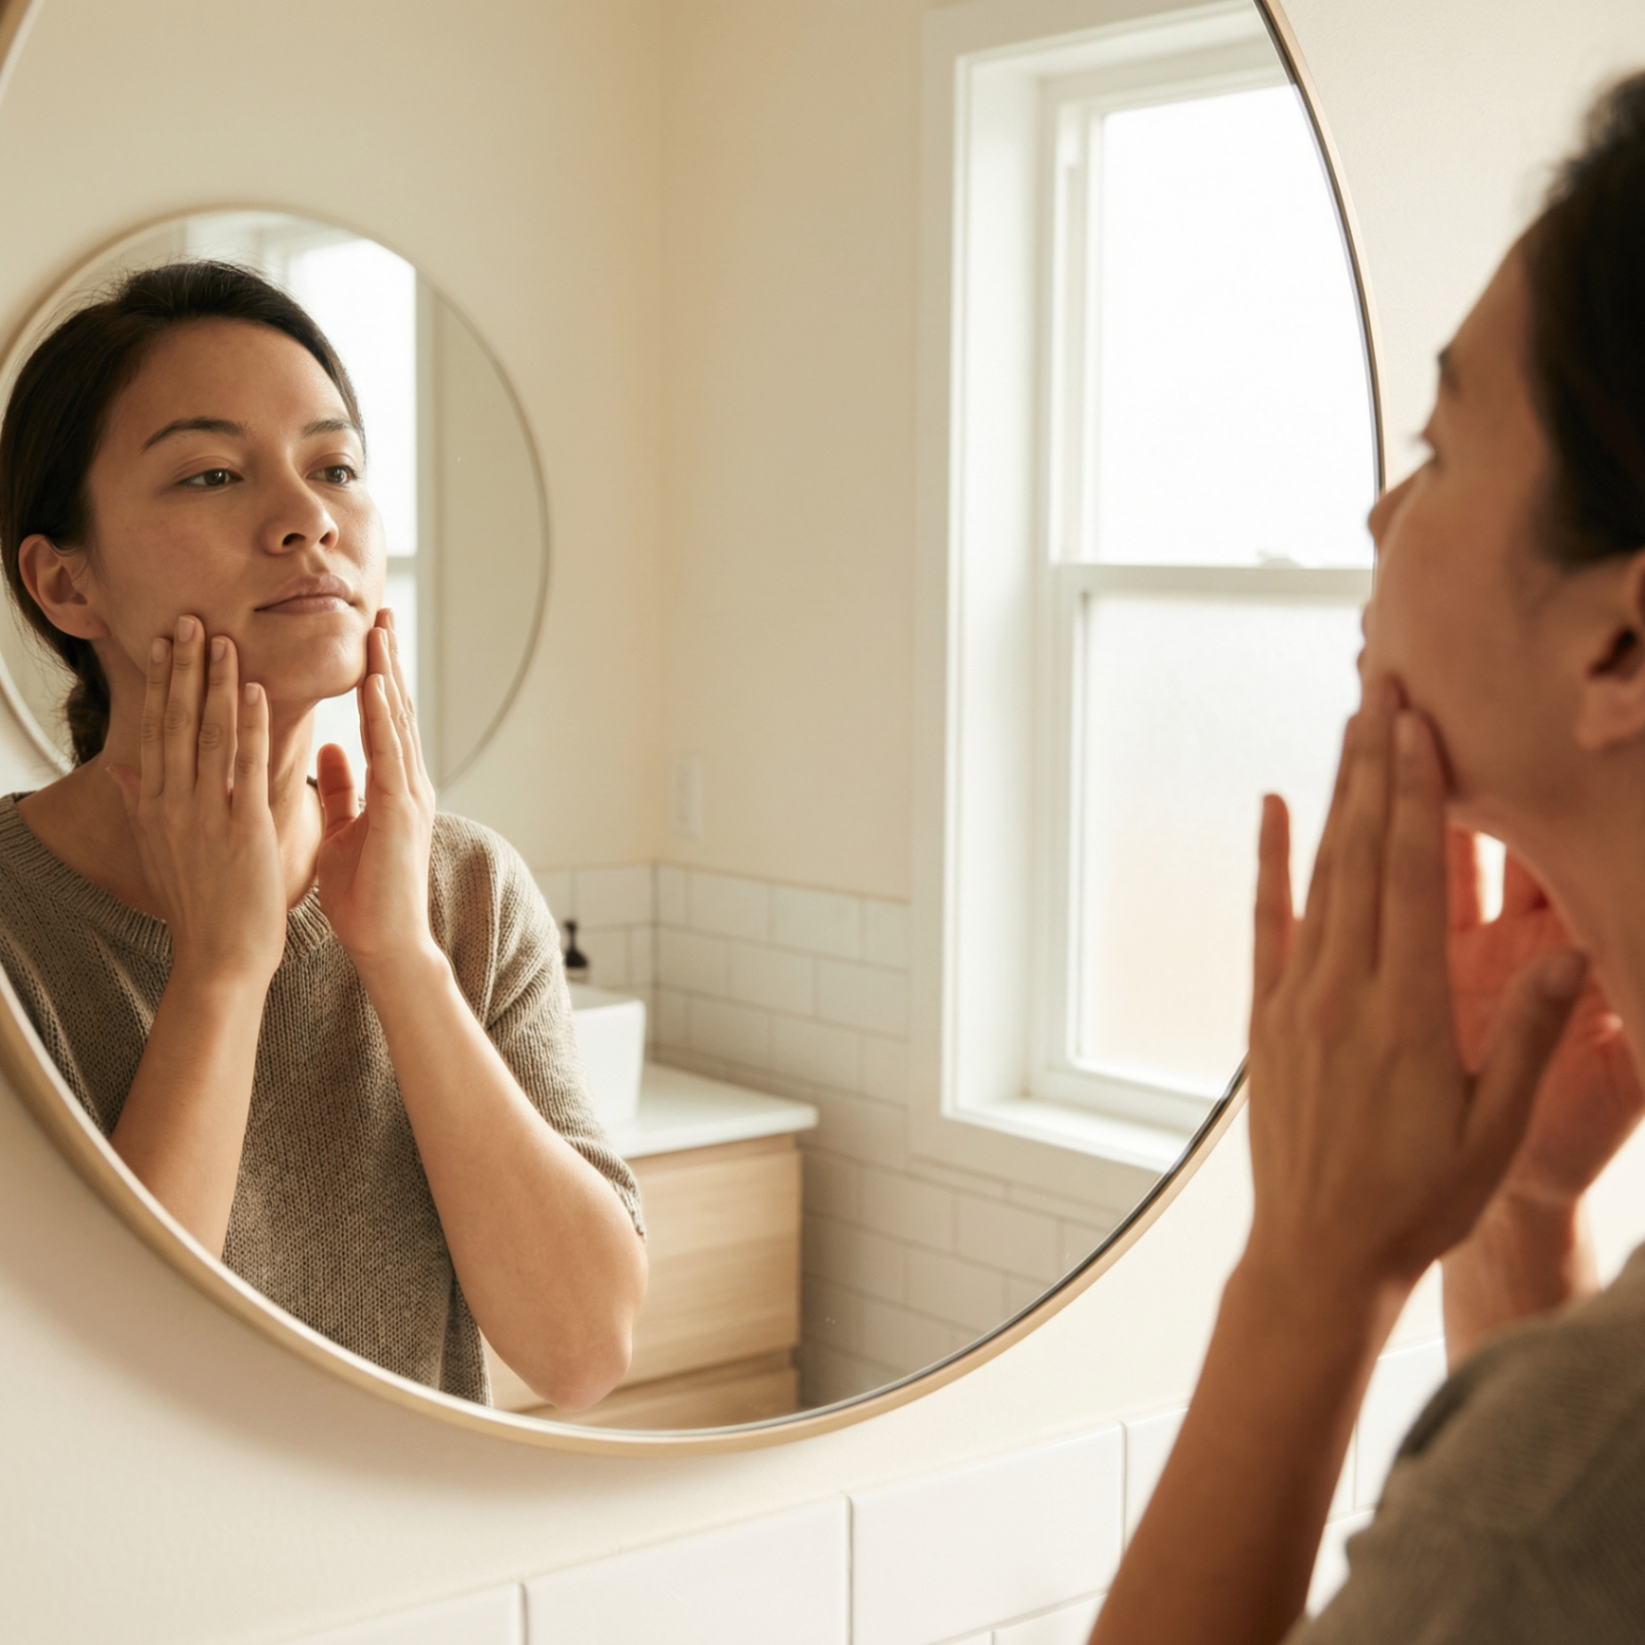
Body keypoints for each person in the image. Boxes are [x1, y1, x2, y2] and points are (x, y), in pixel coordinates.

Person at [1090, 71, 1645, 1643]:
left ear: (1622, 641)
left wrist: (1309, 1280)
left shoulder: (1578, 1471)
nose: (1380, 507)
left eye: (1442, 443)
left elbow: (1555, 1516)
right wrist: (1523, 1208)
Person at [0, 261, 647, 1411]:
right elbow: (99, 1397)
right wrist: (221, 964)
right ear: (64, 583)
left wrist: (400, 955)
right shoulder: (17, 920)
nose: (308, 516)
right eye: (210, 472)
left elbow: (584, 1350)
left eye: (336, 467)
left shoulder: (466, 891)